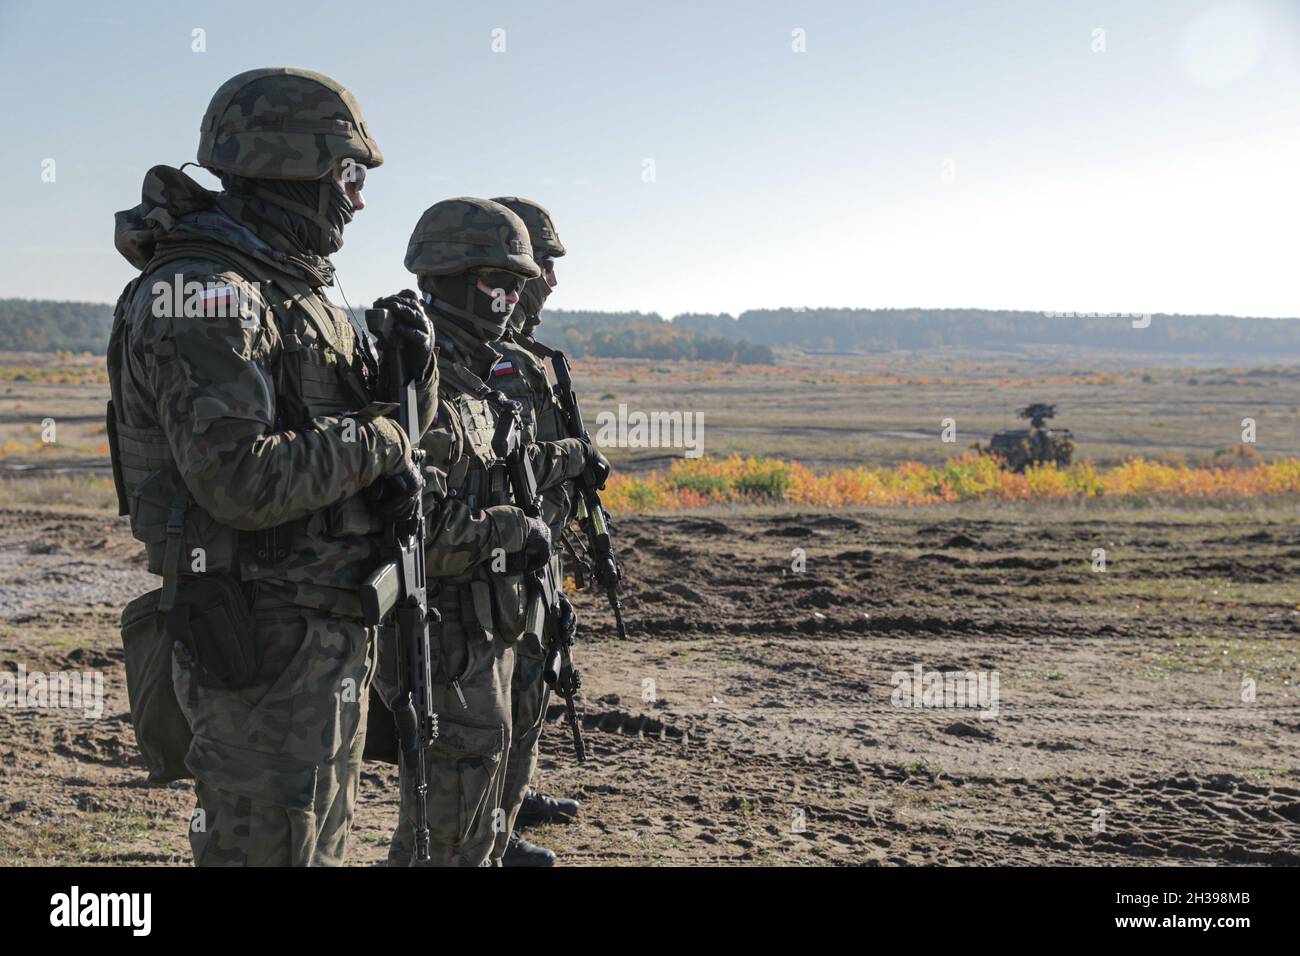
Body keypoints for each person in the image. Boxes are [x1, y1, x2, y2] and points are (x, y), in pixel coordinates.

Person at [108, 67, 435, 866]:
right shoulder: (204, 293)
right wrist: (390, 434)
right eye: (348, 175)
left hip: (321, 629)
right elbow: (241, 481)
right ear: (295, 167)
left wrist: (408, 376)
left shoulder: (291, 289)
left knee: (315, 848)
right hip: (258, 639)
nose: (357, 199)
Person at [384, 197, 603, 866]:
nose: (514, 297)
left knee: (468, 819)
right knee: (445, 830)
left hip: (483, 625)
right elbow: (419, 528)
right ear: (450, 279)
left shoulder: (476, 374)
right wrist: (519, 526)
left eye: (518, 282)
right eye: (497, 283)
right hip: (443, 634)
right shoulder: (424, 380)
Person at [489, 197, 584, 866]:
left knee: (533, 679)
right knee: (495, 696)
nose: (550, 277)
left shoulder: (524, 352)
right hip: (500, 553)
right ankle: (488, 824)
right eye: (542, 262)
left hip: (533, 549)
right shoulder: (488, 355)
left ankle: (512, 802)